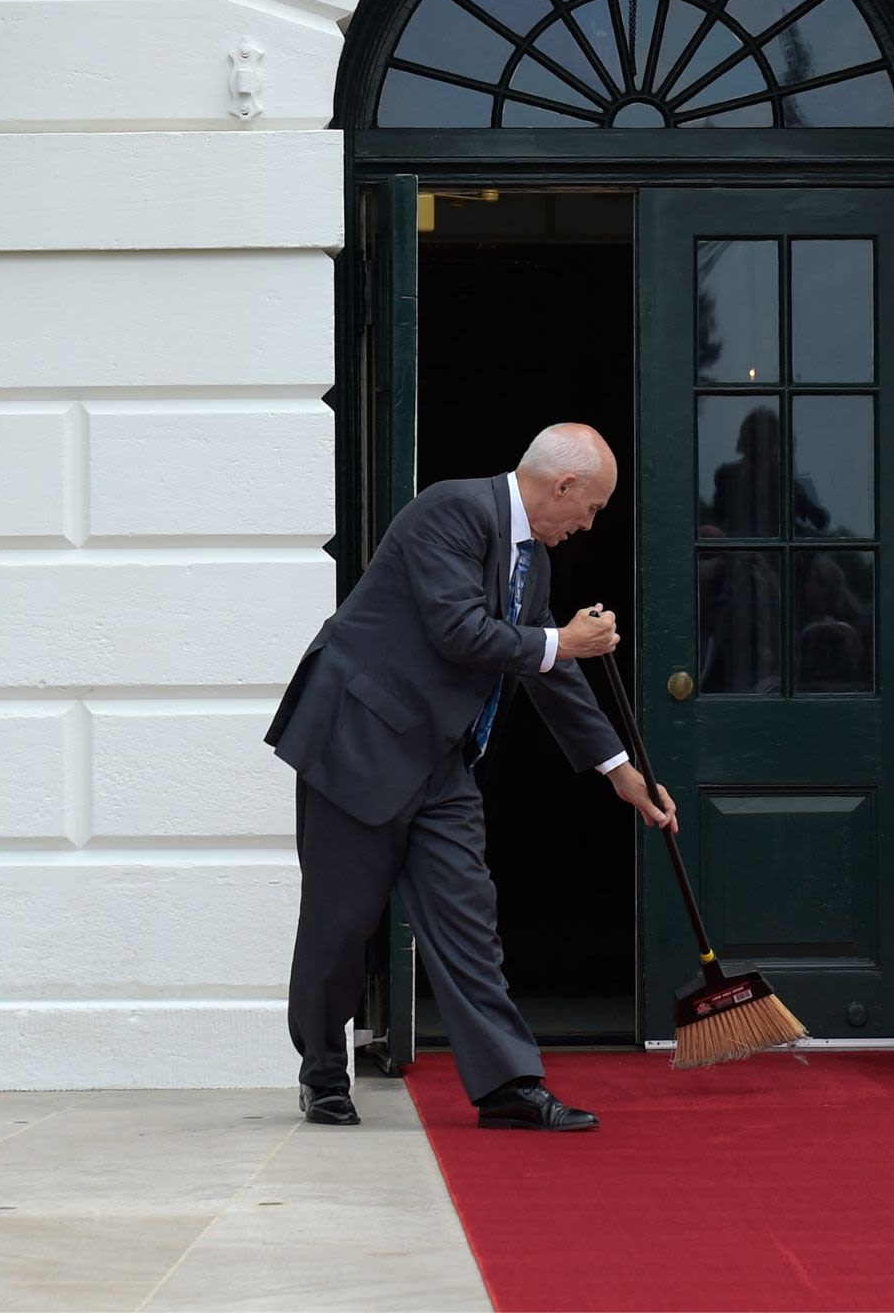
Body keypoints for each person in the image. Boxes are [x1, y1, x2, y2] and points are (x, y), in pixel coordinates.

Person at [266, 423, 677, 1132]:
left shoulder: (534, 562)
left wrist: (619, 771)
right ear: (564, 485)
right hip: (358, 744)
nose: (589, 523)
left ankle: (509, 1086)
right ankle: (324, 1075)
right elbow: (459, 630)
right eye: (592, 507)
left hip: (442, 762)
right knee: (342, 925)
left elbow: (549, 671)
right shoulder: (450, 511)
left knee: (468, 920)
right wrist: (561, 640)